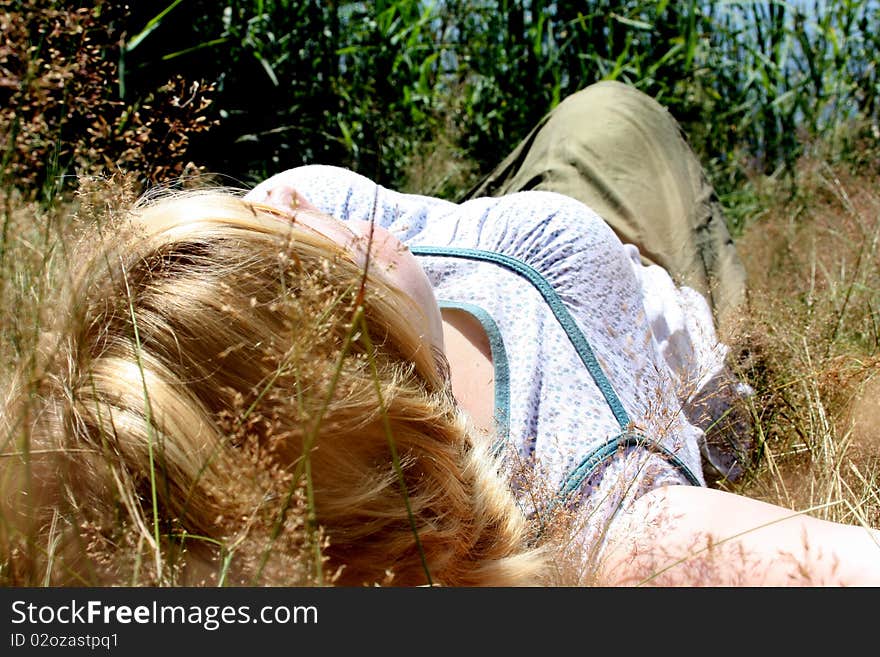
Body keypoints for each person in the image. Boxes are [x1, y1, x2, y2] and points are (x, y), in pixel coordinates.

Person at [2, 81, 878, 586]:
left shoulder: (328, 212)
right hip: (654, 257)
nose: (286, 201)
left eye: (247, 214)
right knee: (616, 113)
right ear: (346, 384)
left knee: (588, 115)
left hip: (514, 205)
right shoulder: (599, 505)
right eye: (298, 262)